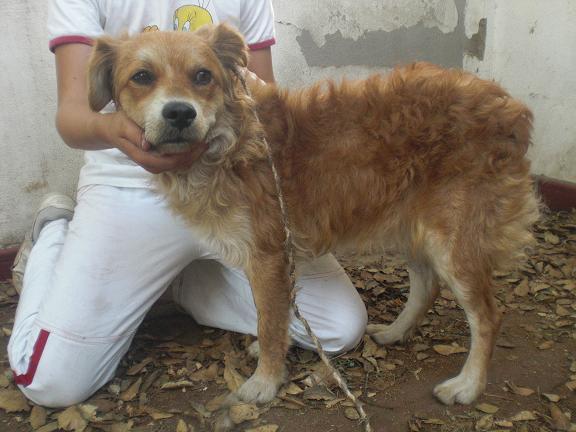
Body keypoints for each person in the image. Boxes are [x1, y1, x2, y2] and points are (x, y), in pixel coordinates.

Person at [9, 0, 368, 408]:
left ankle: (176, 279)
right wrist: (110, 126)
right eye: (143, 77)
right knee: (50, 383)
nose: (177, 102)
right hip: (128, 187)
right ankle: (53, 233)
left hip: (229, 178)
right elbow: (74, 113)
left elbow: (266, 99)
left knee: (340, 328)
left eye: (200, 77)